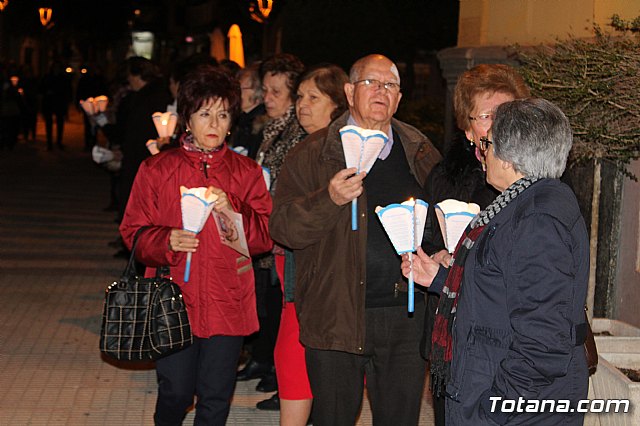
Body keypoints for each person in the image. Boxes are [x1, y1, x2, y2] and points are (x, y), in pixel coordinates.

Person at [269, 54, 442, 425]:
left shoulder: (419, 149)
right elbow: (282, 227)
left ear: (399, 98)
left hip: (405, 315)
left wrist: (441, 249)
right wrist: (327, 199)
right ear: (349, 92)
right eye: (371, 83)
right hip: (335, 314)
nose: (381, 91)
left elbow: (440, 220)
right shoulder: (313, 153)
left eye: (390, 85)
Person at [402, 98, 589, 425]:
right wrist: (440, 280)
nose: (481, 152)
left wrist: (493, 408)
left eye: (488, 143)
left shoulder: (537, 220)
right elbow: (502, 293)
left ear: (511, 154)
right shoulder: (525, 203)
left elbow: (543, 342)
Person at [119, 65, 272, 425]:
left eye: (222, 114)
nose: (214, 123)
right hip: (172, 298)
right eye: (205, 114)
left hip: (227, 298)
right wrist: (165, 240)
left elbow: (265, 236)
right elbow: (132, 231)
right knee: (175, 391)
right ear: (187, 117)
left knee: (216, 396)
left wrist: (231, 211)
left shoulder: (246, 172)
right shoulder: (157, 169)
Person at [421, 63, 531, 425]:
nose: (498, 125)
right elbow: (427, 236)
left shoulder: (535, 180)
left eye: (507, 113)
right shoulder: (445, 175)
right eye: (487, 116)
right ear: (468, 128)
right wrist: (437, 254)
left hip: (509, 336)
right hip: (453, 329)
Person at [272, 63, 349, 426]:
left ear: (338, 102)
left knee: (296, 354)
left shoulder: (347, 152)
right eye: (299, 97)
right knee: (292, 357)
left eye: (313, 97)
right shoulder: (296, 144)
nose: (302, 104)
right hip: (292, 269)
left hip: (323, 279)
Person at [237, 53, 306, 411]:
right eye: (265, 90)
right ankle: (270, 367)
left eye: (277, 91)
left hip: (284, 232)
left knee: (285, 311)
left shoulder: (300, 131)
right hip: (267, 227)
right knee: (270, 305)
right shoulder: (270, 127)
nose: (268, 97)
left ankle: (289, 385)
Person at [116, 56, 172, 226]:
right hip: (141, 155)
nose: (128, 80)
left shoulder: (147, 98)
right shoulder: (150, 95)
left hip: (143, 157)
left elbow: (139, 131)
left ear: (137, 75)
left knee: (136, 201)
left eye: (129, 76)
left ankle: (133, 241)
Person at [227, 63, 268, 159]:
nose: (235, 93)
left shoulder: (261, 125)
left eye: (240, 89)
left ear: (258, 91)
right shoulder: (242, 120)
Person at [39, 60, 72, 151]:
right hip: (49, 103)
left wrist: (66, 101)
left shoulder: (63, 78)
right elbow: (41, 89)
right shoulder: (47, 77)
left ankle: (59, 141)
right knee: (49, 123)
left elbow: (67, 90)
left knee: (60, 123)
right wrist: (47, 92)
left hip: (59, 103)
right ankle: (49, 143)